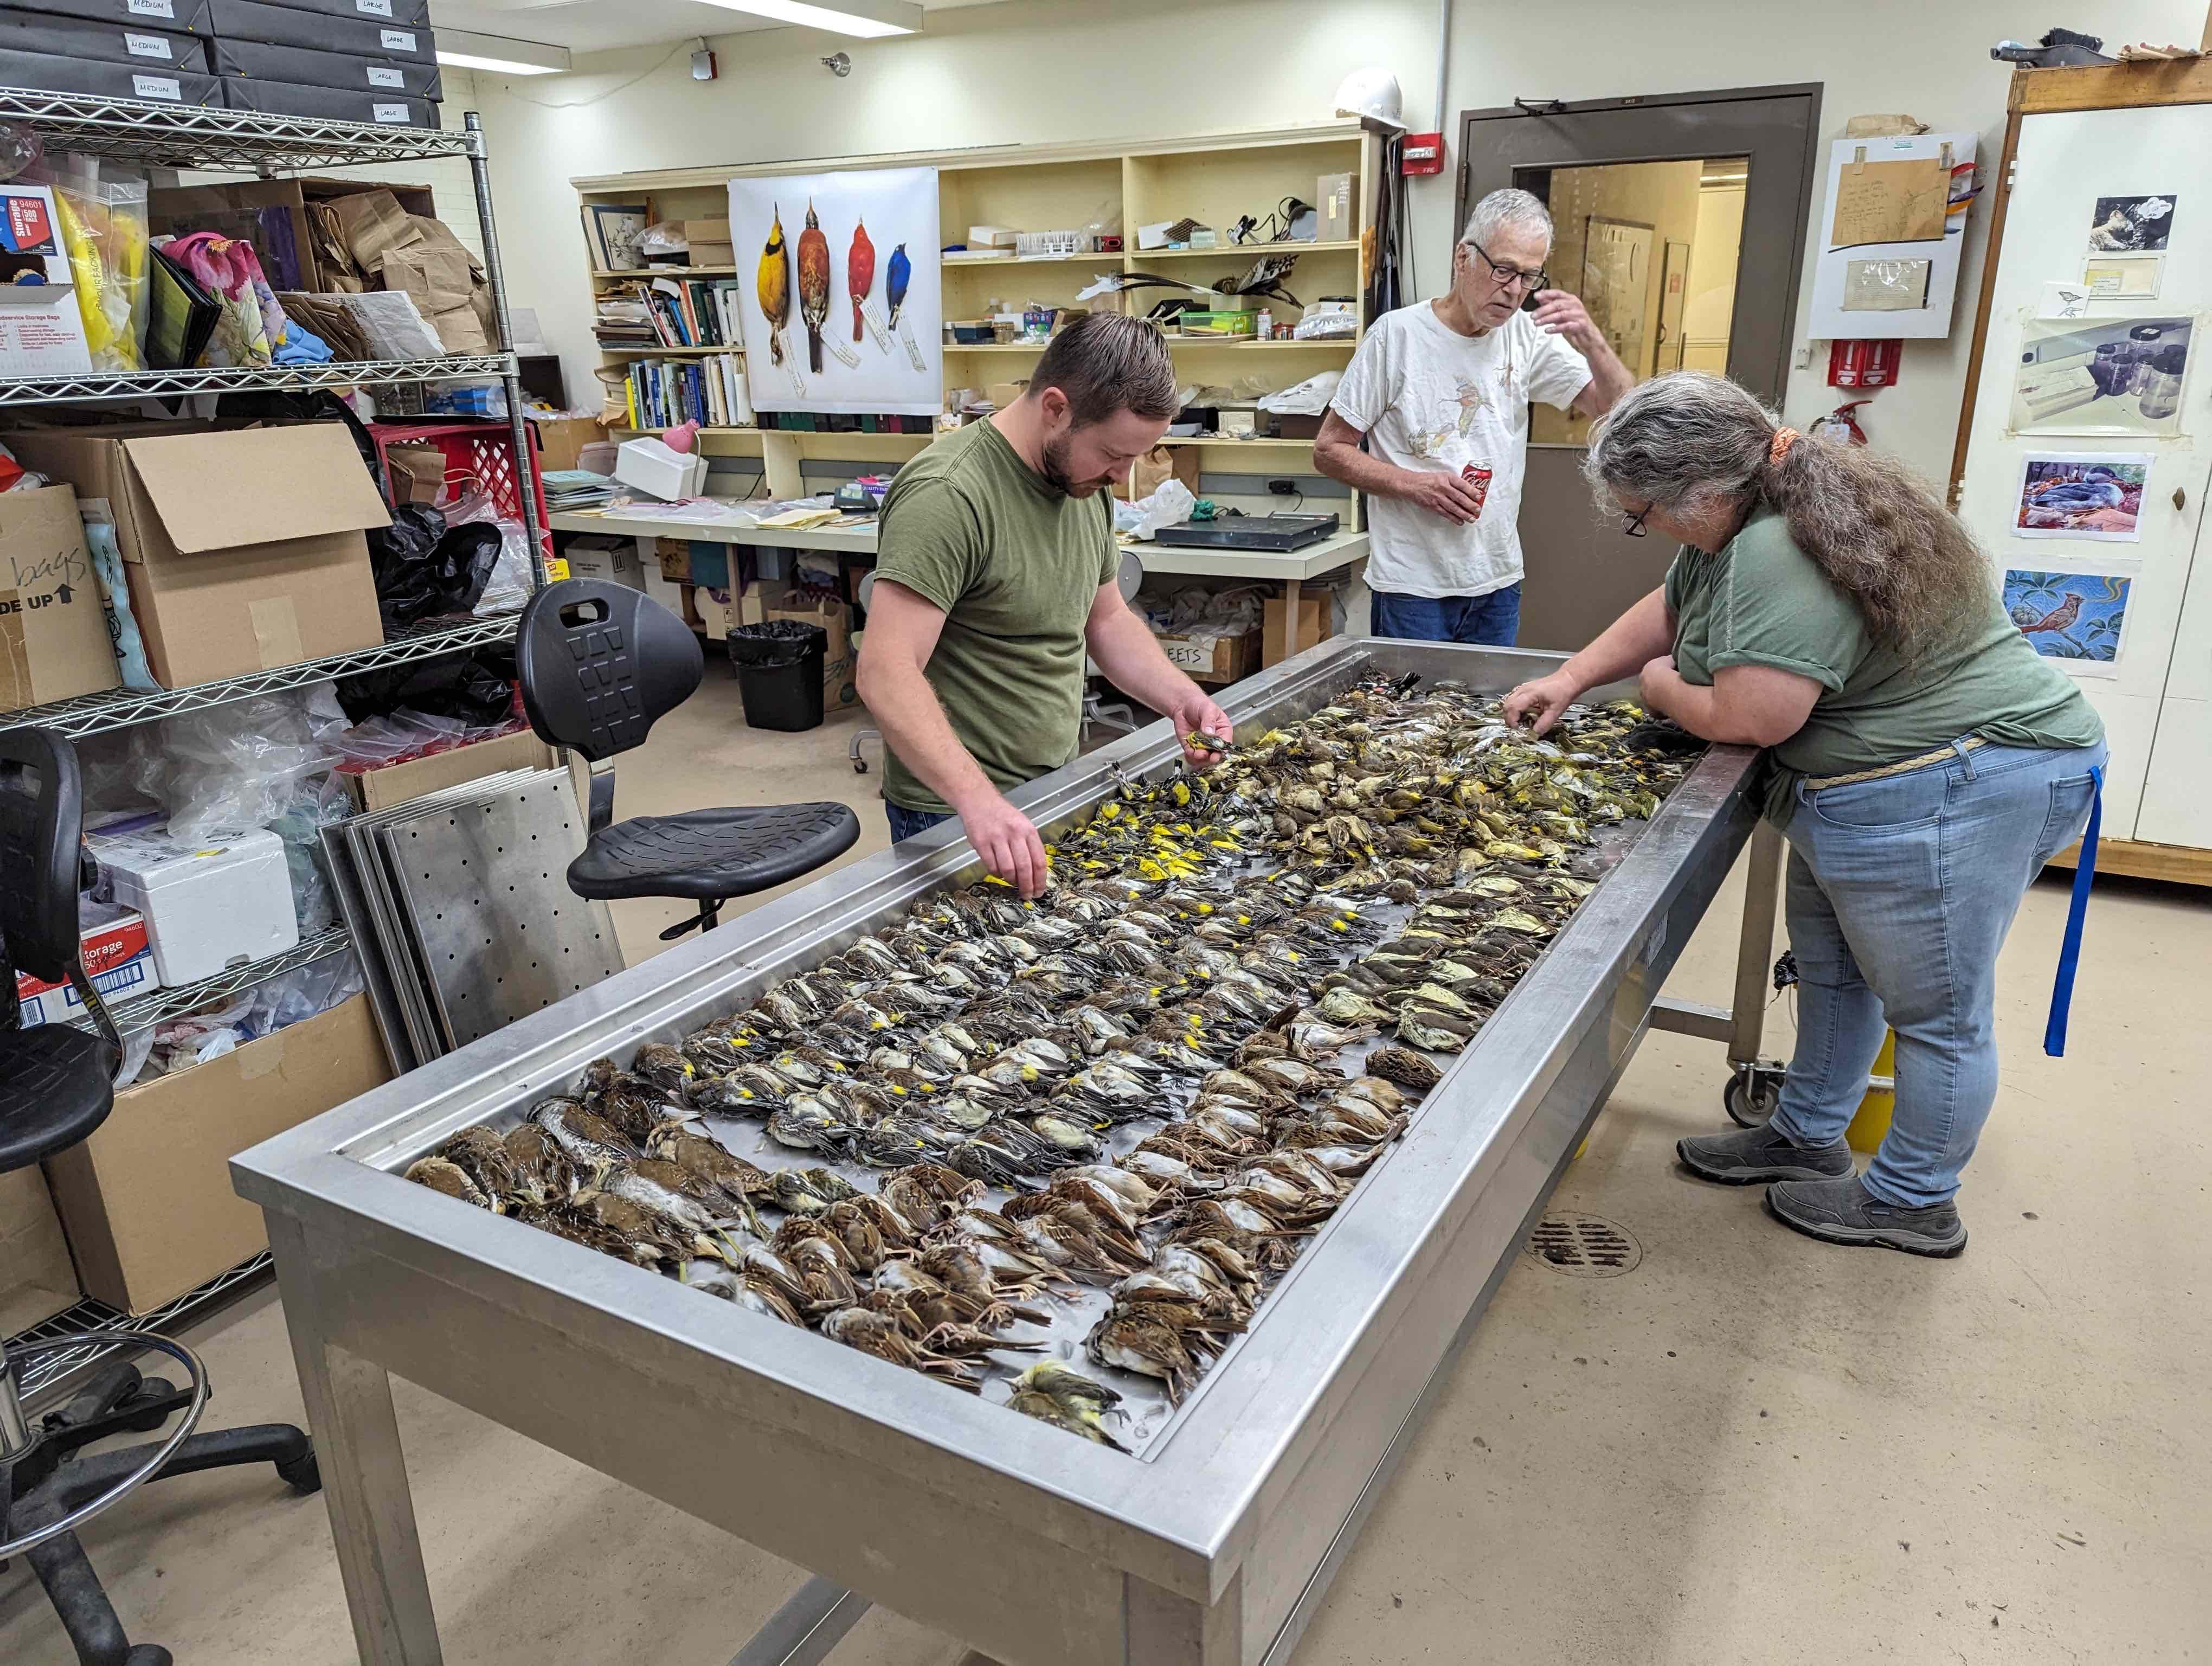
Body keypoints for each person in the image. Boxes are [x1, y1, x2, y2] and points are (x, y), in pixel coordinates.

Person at [1502, 372, 2106, 1258]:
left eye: (1644, 514)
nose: (1646, 530)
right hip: (1870, 790)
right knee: (1834, 970)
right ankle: (1809, 1131)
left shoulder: (1779, 544)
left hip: (1958, 781)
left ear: (1700, 491)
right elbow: (1671, 606)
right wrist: (1569, 675)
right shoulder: (1750, 510)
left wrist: (1660, 689)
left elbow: (1754, 716)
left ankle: (1913, 1200)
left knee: (1934, 1011)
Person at [856, 311, 1232, 896]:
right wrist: (979, 802)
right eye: (1113, 454)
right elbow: (885, 672)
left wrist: (1180, 698)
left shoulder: (1083, 483)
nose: (1123, 475)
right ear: (1055, 408)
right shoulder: (949, 494)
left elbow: (1105, 618)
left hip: (1053, 785)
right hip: (958, 809)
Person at [1313, 187, 1635, 646]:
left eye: (1529, 277)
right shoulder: (1397, 337)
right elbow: (1329, 451)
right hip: (1413, 587)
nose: (1513, 291)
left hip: (1497, 582)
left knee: (1488, 718)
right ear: (1463, 257)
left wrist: (1594, 343)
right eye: (1503, 269)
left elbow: (1618, 410)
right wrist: (1415, 484)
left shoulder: (1525, 336)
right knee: (1411, 718)